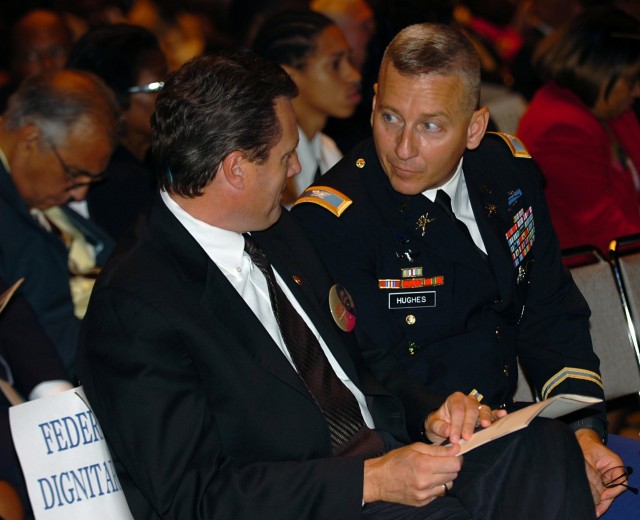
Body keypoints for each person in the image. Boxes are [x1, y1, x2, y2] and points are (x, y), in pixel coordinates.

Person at [76, 50, 599, 520]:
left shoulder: (277, 231)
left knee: (543, 449)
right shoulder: (138, 304)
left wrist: (433, 413)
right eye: (284, 156)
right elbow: (193, 497)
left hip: (391, 456)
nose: (297, 169)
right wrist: (369, 481)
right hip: (318, 499)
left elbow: (366, 359)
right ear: (236, 169)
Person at [292, 22, 627, 517]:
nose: (403, 148)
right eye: (390, 117)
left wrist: (583, 429)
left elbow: (548, 308)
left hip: (507, 429)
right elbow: (365, 370)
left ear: (475, 127)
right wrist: (433, 411)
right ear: (375, 99)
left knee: (558, 458)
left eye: (430, 126)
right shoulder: (336, 220)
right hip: (411, 456)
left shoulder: (506, 171)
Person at [0, 70, 119, 377]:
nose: (79, 193)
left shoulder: (33, 191)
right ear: (31, 138)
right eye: (73, 175)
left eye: (91, 180)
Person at [516, 7, 640, 254]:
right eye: (632, 81)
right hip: (591, 275)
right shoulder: (560, 128)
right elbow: (601, 230)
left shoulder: (609, 108)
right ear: (598, 69)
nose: (638, 92)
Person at [66, 23, 167, 241]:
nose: (172, 94)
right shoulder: (116, 183)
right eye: (159, 86)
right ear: (114, 99)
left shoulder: (152, 162)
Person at [252, 9, 362, 207]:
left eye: (350, 60)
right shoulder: (263, 159)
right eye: (335, 64)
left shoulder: (327, 149)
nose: (354, 76)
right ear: (289, 76)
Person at [0, 9, 73, 113]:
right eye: (32, 56)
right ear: (14, 64)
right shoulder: (5, 113)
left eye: (57, 51)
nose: (47, 64)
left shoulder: (94, 102)